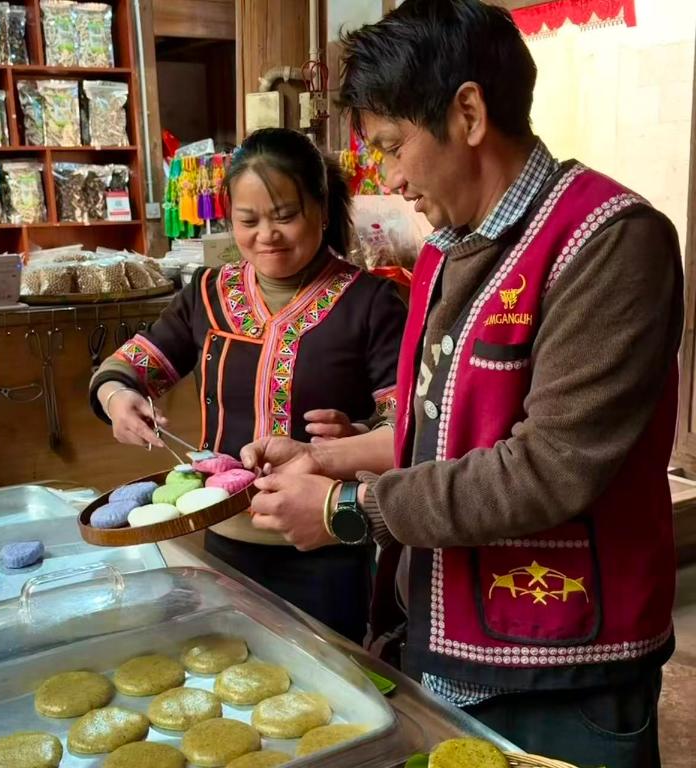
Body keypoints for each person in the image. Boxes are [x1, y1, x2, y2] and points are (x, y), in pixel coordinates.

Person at [239, 3, 682, 767]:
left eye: (393, 146)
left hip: (559, 660)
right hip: (447, 632)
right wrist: (328, 460)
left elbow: (547, 468)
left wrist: (349, 511)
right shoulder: (448, 249)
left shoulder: (608, 240)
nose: (390, 178)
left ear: (469, 113)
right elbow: (438, 430)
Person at [89, 128, 407, 641]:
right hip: (225, 541)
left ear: (321, 209)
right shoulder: (208, 295)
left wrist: (359, 434)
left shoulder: (370, 302)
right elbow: (127, 367)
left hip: (324, 543)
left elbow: (410, 428)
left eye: (285, 216)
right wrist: (118, 398)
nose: (267, 235)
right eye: (248, 220)